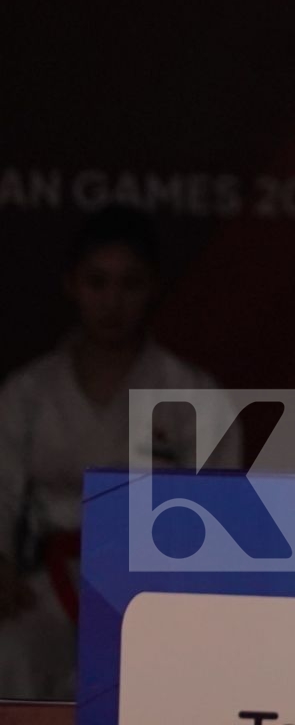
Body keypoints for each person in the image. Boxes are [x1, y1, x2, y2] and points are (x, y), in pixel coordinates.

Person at [0, 207, 234, 700]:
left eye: (130, 284)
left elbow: (222, 511)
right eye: (97, 283)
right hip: (47, 587)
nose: (113, 302)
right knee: (12, 651)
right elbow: (1, 490)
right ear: (71, 285)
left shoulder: (193, 391)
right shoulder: (27, 392)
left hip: (155, 590)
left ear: (153, 289)